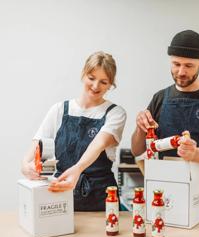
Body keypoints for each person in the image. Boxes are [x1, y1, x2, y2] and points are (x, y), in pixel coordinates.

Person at [131, 30, 199, 211]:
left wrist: (195, 154)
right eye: (176, 64)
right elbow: (137, 149)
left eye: (189, 65)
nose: (181, 72)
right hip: (164, 192)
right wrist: (140, 127)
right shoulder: (160, 98)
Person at [21, 51, 126, 211]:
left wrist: (78, 169)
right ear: (83, 74)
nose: (96, 86)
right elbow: (38, 144)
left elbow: (100, 143)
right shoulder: (59, 110)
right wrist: (25, 166)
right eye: (91, 78)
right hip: (61, 195)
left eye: (103, 82)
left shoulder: (115, 113)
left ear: (110, 85)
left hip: (101, 198)